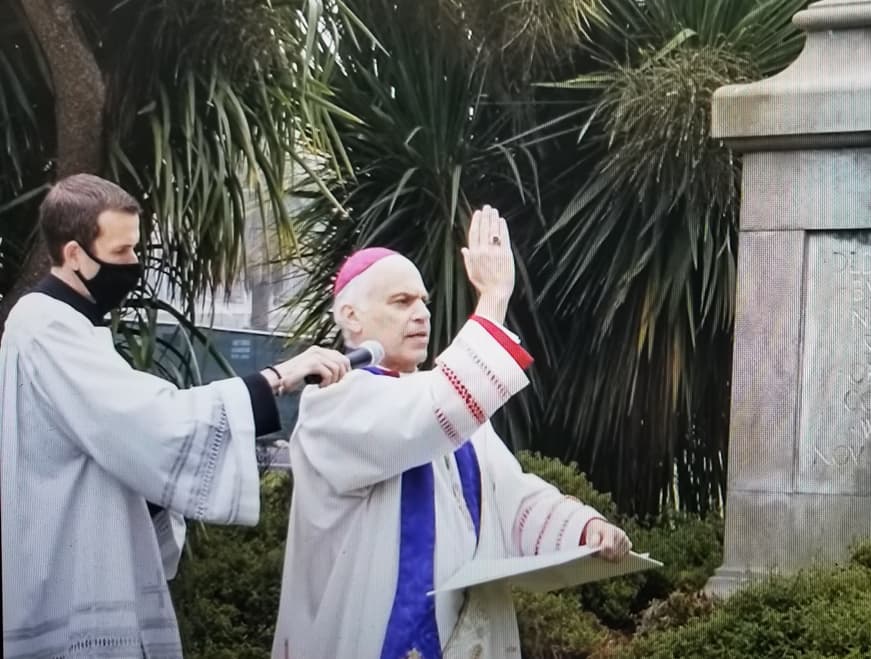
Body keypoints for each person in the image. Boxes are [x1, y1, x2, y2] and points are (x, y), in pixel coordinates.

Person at [1, 174, 352, 659]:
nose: (133, 264)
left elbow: (127, 434)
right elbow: (147, 421)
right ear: (75, 254)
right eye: (121, 251)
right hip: (69, 570)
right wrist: (277, 377)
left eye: (136, 248)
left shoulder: (70, 324)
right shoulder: (44, 326)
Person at [273, 207, 632, 659]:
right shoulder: (335, 402)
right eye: (402, 302)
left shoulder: (442, 403)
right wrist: (493, 299)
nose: (421, 314)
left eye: (423, 301)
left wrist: (585, 527)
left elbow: (509, 494)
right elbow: (432, 410)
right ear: (352, 316)